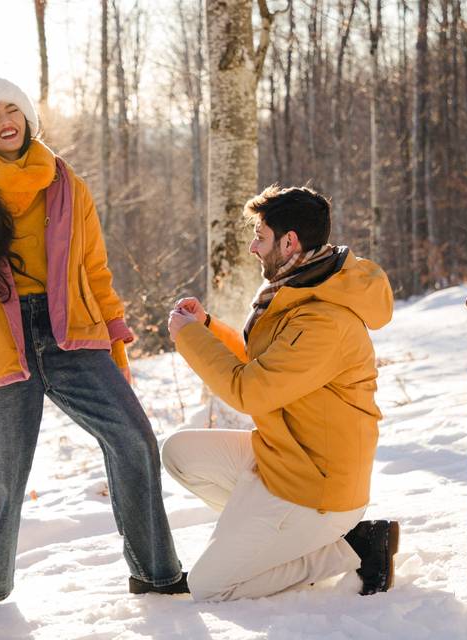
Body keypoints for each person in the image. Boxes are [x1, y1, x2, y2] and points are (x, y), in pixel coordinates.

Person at [0, 76, 186, 611]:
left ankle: (158, 577)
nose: (6, 118)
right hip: (0, 342)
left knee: (134, 439)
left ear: (26, 117)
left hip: (73, 334)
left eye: (13, 109)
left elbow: (95, 269)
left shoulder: (68, 184)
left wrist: (116, 336)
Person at [165, 185, 399, 602]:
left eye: (260, 236)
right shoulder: (303, 287)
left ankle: (351, 549)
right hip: (287, 457)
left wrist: (189, 341)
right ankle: (270, 533)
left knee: (209, 586)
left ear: (290, 241)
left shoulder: (323, 320)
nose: (254, 248)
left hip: (316, 489)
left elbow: (251, 392)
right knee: (179, 453)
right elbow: (268, 365)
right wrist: (206, 328)